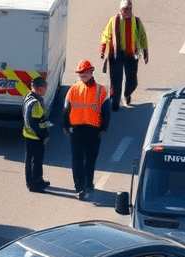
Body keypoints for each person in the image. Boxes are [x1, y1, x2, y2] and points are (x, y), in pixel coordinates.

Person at [63, 60, 109, 200]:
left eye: (84, 72)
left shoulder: (101, 90)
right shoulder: (73, 89)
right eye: (79, 73)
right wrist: (65, 126)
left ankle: (88, 182)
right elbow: (66, 109)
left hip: (94, 130)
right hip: (76, 130)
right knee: (77, 159)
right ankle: (80, 188)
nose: (82, 75)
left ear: (91, 72)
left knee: (90, 158)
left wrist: (103, 128)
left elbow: (106, 111)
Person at [99, 0, 148, 110]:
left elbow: (142, 37)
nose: (126, 11)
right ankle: (115, 100)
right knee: (116, 80)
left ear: (131, 9)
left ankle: (127, 94)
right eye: (124, 9)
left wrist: (145, 51)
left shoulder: (136, 21)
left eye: (128, 9)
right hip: (116, 55)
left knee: (132, 81)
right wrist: (102, 49)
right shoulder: (114, 21)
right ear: (120, 10)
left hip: (131, 55)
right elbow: (106, 35)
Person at [22, 76, 51, 192]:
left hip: (28, 134)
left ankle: (38, 179)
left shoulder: (28, 98)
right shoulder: (36, 104)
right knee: (36, 160)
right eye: (44, 87)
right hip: (35, 136)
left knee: (31, 160)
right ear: (38, 89)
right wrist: (45, 135)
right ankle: (34, 183)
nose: (45, 89)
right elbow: (39, 123)